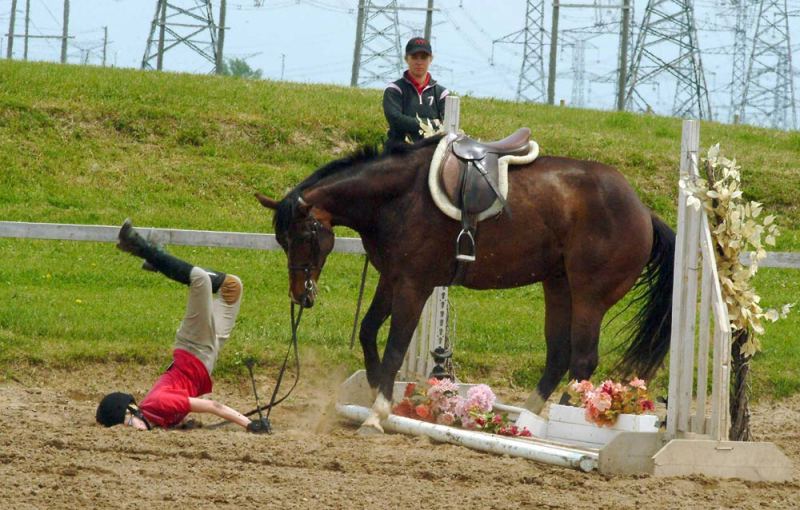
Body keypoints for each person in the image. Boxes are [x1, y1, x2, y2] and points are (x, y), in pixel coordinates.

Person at [95, 219, 269, 434]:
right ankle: (163, 263)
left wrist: (249, 425)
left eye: (129, 425)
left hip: (193, 349)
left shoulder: (159, 403)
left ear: (132, 411)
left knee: (200, 279)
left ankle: (143, 249)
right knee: (233, 287)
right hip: (206, 359)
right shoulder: (157, 419)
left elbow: (212, 406)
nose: (133, 431)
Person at [383, 37, 449, 151]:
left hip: (431, 154)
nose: (419, 62)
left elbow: (448, 126)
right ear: (406, 58)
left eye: (423, 57)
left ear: (431, 59)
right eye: (414, 57)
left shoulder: (442, 94)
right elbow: (396, 119)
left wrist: (410, 123)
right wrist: (430, 123)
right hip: (398, 152)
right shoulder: (394, 90)